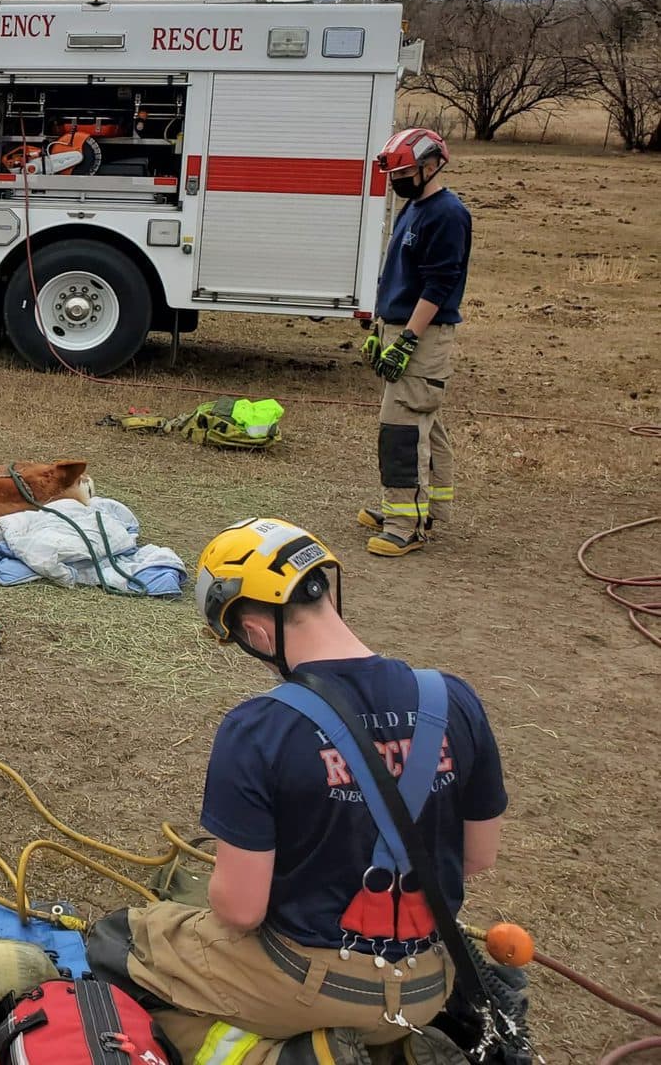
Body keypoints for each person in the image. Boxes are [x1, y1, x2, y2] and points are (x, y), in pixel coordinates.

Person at [87, 518, 506, 1065]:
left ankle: (295, 1058)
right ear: (328, 588)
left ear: (255, 631)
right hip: (431, 979)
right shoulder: (453, 698)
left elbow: (240, 912)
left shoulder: (259, 728)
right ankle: (393, 1045)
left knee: (119, 942)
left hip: (310, 983)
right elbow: (477, 857)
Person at [358, 128, 471, 557]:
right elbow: (398, 274)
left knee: (402, 427)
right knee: (426, 420)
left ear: (431, 165)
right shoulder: (413, 208)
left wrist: (407, 339)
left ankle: (405, 523)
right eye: (394, 172)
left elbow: (440, 283)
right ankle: (428, 508)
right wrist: (379, 330)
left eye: (405, 171)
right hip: (400, 326)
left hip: (422, 333)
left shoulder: (447, 214)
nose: (398, 179)